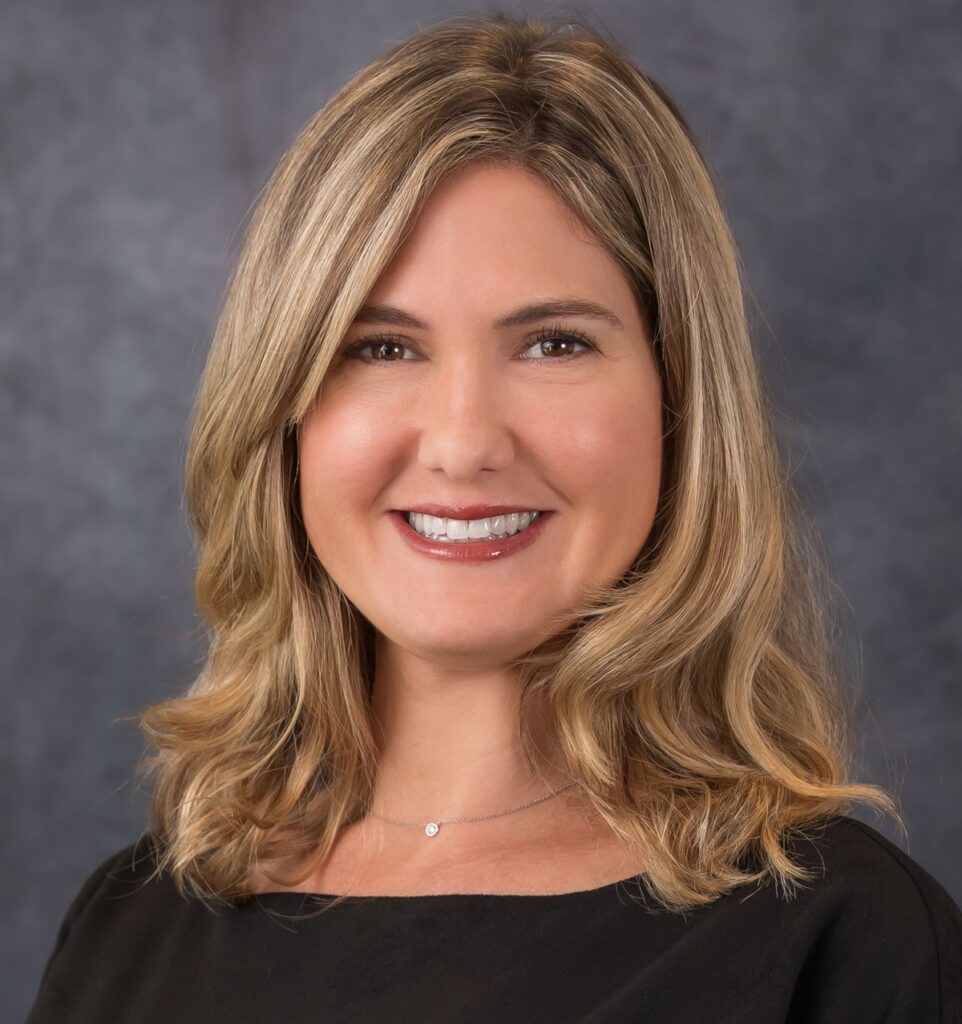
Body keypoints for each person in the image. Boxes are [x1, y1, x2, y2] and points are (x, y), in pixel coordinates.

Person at [27, 12, 962, 1023]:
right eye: (380, 347)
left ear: (677, 403)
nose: (462, 441)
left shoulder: (844, 945)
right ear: (282, 410)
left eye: (553, 344)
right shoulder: (133, 930)